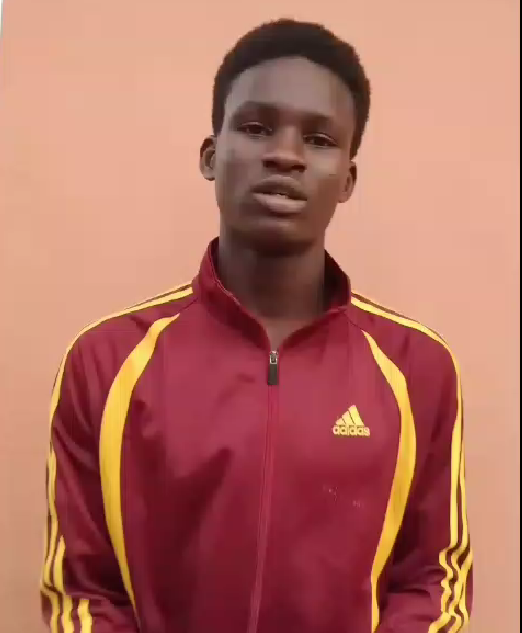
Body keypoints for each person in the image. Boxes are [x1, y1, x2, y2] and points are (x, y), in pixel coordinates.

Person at [40, 18, 473, 633]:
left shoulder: (418, 368)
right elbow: (85, 590)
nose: (285, 155)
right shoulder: (105, 363)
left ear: (347, 179)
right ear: (211, 156)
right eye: (256, 128)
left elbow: (432, 578)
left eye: (319, 139)